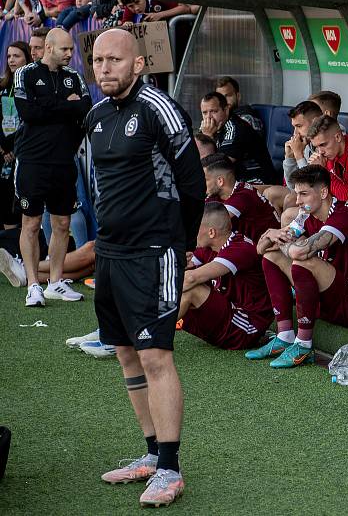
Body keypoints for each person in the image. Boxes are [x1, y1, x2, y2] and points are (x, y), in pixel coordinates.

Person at [87, 29, 205, 507]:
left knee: (156, 355)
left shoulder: (159, 107)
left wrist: (184, 244)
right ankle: (152, 455)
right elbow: (98, 182)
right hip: (111, 253)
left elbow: (192, 182)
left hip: (155, 251)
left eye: (114, 59)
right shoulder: (94, 115)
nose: (103, 68)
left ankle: (172, 470)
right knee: (126, 354)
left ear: (138, 64)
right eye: (96, 60)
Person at [248, 165, 348, 365]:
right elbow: (261, 249)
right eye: (297, 194)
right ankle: (284, 336)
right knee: (272, 258)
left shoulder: (344, 214)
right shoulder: (306, 215)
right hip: (336, 296)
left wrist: (281, 243)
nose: (298, 201)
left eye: (304, 194)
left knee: (302, 261)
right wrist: (271, 234)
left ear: (323, 192)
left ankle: (303, 346)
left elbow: (300, 252)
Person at [14, 27, 91, 307]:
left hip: (64, 161)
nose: (70, 54)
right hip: (33, 161)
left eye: (71, 49)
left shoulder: (74, 77)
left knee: (62, 223)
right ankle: (33, 284)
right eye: (65, 49)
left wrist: (51, 107)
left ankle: (55, 282)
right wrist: (64, 107)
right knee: (31, 223)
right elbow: (28, 113)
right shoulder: (26, 74)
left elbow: (85, 107)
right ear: (48, 47)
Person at [179, 202, 273, 350]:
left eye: (196, 228)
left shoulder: (240, 247)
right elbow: (179, 271)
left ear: (211, 232)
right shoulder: (208, 247)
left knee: (192, 288)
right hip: (230, 317)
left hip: (247, 327)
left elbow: (191, 278)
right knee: (179, 279)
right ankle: (148, 331)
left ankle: (152, 335)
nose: (192, 233)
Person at [199, 91, 275, 184]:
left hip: (257, 181)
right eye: (205, 113)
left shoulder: (235, 129)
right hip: (234, 181)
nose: (208, 117)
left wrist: (208, 137)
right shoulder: (210, 127)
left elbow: (218, 167)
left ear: (226, 110)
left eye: (214, 111)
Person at [202, 153, 279, 242]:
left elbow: (209, 223)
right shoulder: (214, 196)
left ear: (220, 181)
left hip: (270, 246)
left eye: (205, 179)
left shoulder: (243, 195)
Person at [1, 41, 31, 230]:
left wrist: (14, 149)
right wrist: (3, 149)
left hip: (22, 154)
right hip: (3, 155)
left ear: (26, 58)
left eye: (16, 56)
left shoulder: (30, 85)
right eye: (9, 56)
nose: (12, 60)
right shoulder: (2, 85)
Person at [305, 115, 348, 201]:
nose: (320, 151)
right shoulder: (326, 156)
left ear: (338, 137)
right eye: (317, 147)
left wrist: (323, 173)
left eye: (323, 145)